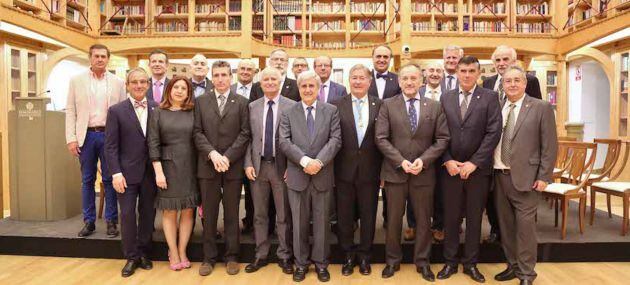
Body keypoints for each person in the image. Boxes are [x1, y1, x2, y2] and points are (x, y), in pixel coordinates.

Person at [375, 63, 449, 281]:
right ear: (399, 81)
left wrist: (423, 161)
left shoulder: (434, 107)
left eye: (414, 78)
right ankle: (392, 261)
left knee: (424, 221)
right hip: (395, 173)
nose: (409, 82)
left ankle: (423, 262)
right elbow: (380, 138)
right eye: (405, 78)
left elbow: (443, 139)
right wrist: (400, 161)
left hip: (423, 174)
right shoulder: (387, 105)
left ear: (421, 81)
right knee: (394, 221)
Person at [436, 56, 502, 283]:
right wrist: (447, 160)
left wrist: (474, 162)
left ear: (478, 73)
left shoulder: (490, 97)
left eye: (471, 71)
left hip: (478, 170)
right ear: (456, 72)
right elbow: (438, 133)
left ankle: (471, 264)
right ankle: (450, 262)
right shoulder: (445, 98)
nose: (466, 75)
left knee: (475, 219)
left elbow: (494, 132)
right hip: (451, 169)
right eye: (462, 71)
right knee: (451, 219)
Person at [493, 66, 557, 285]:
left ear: (525, 83)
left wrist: (544, 176)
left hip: (527, 178)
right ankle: (512, 265)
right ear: (502, 84)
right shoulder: (498, 106)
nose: (511, 84)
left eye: (516, 80)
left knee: (526, 229)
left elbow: (550, 146)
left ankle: (527, 273)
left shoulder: (541, 107)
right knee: (506, 226)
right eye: (507, 81)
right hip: (499, 176)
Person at [279, 70, 341, 282]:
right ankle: (301, 264)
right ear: (299, 88)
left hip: (322, 175)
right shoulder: (288, 112)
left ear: (318, 88)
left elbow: (335, 140)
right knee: (299, 224)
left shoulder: (331, 110)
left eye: (311, 86)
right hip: (298, 175)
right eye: (303, 86)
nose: (307, 90)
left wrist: (319, 162)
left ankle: (322, 264)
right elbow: (284, 141)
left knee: (323, 224)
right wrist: (305, 161)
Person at [194, 60, 250, 276]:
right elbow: (197, 132)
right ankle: (208, 257)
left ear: (231, 77)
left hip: (232, 166)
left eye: (224, 75)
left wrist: (227, 157)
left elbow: (245, 133)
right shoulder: (201, 101)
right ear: (211, 76)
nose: (220, 79)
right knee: (209, 213)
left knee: (232, 212)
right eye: (216, 75)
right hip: (208, 165)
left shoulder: (242, 102)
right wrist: (213, 154)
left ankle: (232, 255)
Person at [482, 45, 543, 244]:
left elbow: (536, 119)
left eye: (505, 59)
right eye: (497, 60)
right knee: (494, 199)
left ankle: (522, 244)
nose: (501, 64)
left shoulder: (530, 81)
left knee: (522, 212)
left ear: (514, 61)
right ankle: (495, 230)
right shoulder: (488, 82)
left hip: (521, 156)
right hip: (495, 154)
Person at [65, 44, 126, 238]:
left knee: (110, 179)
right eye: (96, 56)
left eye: (103, 56)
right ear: (90, 58)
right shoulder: (76, 81)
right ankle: (89, 221)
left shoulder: (118, 82)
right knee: (87, 180)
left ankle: (111, 221)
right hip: (86, 136)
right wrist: (71, 138)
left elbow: (124, 112)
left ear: (108, 59)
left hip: (109, 135)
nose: (100, 59)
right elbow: (70, 111)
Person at [104, 67, 158, 277]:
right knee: (127, 215)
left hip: (150, 174)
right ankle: (131, 256)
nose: (139, 86)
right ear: (127, 85)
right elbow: (110, 146)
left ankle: (144, 253)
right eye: (134, 82)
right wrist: (115, 173)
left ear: (148, 85)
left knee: (147, 214)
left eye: (143, 82)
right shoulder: (116, 111)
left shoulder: (156, 108)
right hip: (125, 174)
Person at [244, 67, 296, 274]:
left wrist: (292, 166)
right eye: (266, 79)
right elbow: (247, 138)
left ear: (280, 81)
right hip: (258, 167)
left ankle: (284, 255)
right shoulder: (252, 107)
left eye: (274, 79)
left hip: (281, 167)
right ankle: (261, 254)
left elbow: (295, 139)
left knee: (284, 215)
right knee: (260, 214)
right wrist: (248, 163)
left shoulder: (292, 106)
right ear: (261, 83)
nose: (270, 82)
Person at [331, 64, 382, 276]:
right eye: (354, 78)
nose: (358, 81)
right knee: (344, 217)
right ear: (348, 81)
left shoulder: (380, 105)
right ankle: (348, 255)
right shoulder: (335, 105)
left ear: (370, 82)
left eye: (362, 78)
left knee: (369, 216)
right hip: (343, 171)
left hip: (371, 172)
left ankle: (364, 257)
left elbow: (384, 140)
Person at [148, 76, 199, 271]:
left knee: (187, 210)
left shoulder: (193, 112)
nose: (179, 91)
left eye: (183, 88)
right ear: (169, 89)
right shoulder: (158, 112)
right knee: (170, 211)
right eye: (176, 87)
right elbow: (153, 143)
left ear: (188, 93)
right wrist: (158, 172)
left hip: (190, 167)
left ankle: (182, 250)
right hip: (168, 168)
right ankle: (173, 252)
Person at [368, 44, 401, 229]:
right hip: (367, 139)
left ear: (390, 59)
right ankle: (366, 220)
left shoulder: (398, 80)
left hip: (391, 139)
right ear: (372, 58)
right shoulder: (363, 78)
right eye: (378, 56)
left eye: (385, 57)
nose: (381, 59)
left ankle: (390, 218)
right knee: (369, 181)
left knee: (391, 182)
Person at [231, 59, 257, 234]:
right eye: (243, 69)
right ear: (237, 71)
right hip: (231, 148)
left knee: (251, 189)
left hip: (253, 146)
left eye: (249, 69)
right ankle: (230, 225)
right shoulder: (229, 89)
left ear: (254, 72)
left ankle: (250, 221)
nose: (246, 71)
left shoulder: (261, 89)